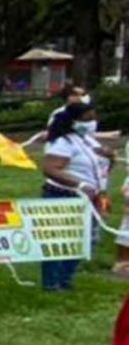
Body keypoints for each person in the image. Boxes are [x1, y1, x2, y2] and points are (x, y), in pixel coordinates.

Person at [41, 102, 107, 292]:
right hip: (64, 195)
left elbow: (97, 164)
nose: (92, 122)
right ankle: (52, 282)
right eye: (88, 119)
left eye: (94, 118)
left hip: (88, 198)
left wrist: (108, 156)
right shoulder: (64, 142)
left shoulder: (87, 140)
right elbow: (50, 168)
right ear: (74, 121)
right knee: (60, 240)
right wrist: (79, 184)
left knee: (82, 241)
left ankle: (65, 279)